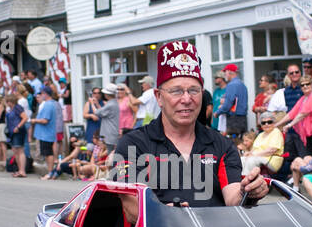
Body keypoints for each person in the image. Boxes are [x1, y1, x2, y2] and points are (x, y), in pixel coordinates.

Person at [112, 39, 268, 208]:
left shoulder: (222, 145)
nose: (186, 99)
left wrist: (248, 191)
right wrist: (162, 215)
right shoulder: (132, 144)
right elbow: (130, 205)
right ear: (159, 97)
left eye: (193, 90)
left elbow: (232, 197)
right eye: (176, 91)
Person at [278, 75, 312, 149]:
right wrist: (277, 124)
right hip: (309, 133)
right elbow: (291, 113)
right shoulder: (303, 98)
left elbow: (302, 114)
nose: (305, 86)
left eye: (307, 84)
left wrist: (289, 125)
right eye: (302, 85)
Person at [241, 111, 285, 176]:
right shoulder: (260, 134)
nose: (266, 124)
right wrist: (249, 153)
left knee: (251, 160)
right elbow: (254, 149)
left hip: (271, 160)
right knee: (242, 159)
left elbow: (271, 151)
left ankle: (247, 181)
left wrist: (254, 154)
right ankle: (240, 179)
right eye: (263, 123)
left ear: (274, 123)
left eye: (269, 122)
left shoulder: (276, 132)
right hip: (258, 157)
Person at [32, 86, 62, 179]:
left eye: (41, 93)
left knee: (48, 153)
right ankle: (50, 172)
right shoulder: (52, 103)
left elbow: (45, 120)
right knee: (48, 153)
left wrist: (34, 120)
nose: (41, 95)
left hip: (46, 133)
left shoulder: (48, 105)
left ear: (45, 94)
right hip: (46, 133)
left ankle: (50, 173)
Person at [213, 64, 249, 140]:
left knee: (232, 143)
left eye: (225, 72)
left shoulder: (231, 85)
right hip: (243, 117)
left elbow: (228, 104)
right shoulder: (242, 85)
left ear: (230, 72)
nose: (224, 74)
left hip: (234, 119)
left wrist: (218, 112)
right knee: (240, 141)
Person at [96, 82, 121, 152]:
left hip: (110, 134)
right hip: (112, 133)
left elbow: (97, 112)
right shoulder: (114, 103)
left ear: (107, 94)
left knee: (110, 154)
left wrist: (92, 104)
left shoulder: (110, 104)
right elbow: (102, 112)